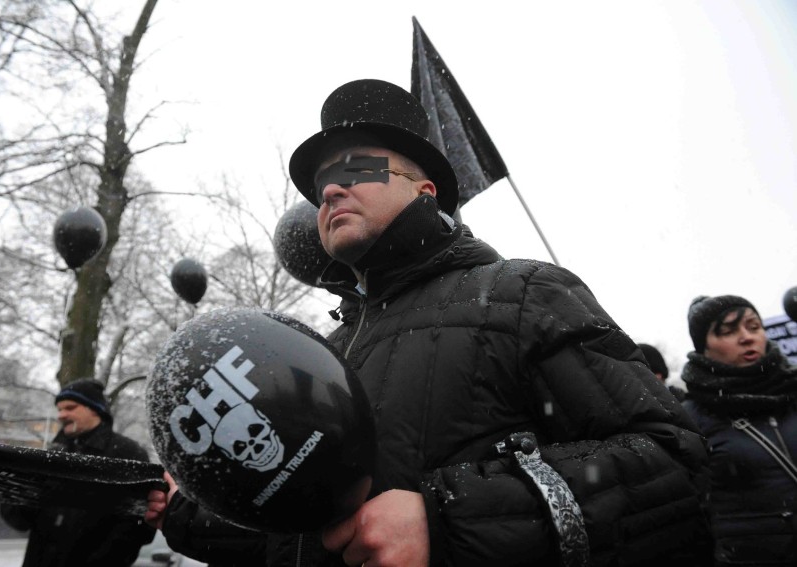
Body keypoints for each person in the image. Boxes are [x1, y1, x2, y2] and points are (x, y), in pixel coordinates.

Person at [147, 79, 710, 566]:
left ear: (425, 189)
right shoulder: (328, 352)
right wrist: (178, 511)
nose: (331, 191)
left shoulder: (523, 293)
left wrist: (446, 522)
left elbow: (673, 463)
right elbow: (304, 530)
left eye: (357, 168)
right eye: (320, 189)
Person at [682, 295, 797, 566]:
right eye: (728, 331)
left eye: (754, 326)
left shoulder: (792, 391)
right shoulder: (689, 419)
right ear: (703, 347)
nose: (747, 337)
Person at [1, 379, 155, 567]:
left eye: (70, 408)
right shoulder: (52, 454)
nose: (61, 415)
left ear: (95, 410)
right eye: (59, 409)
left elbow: (138, 526)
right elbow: (21, 521)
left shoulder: (128, 454)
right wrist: (12, 490)